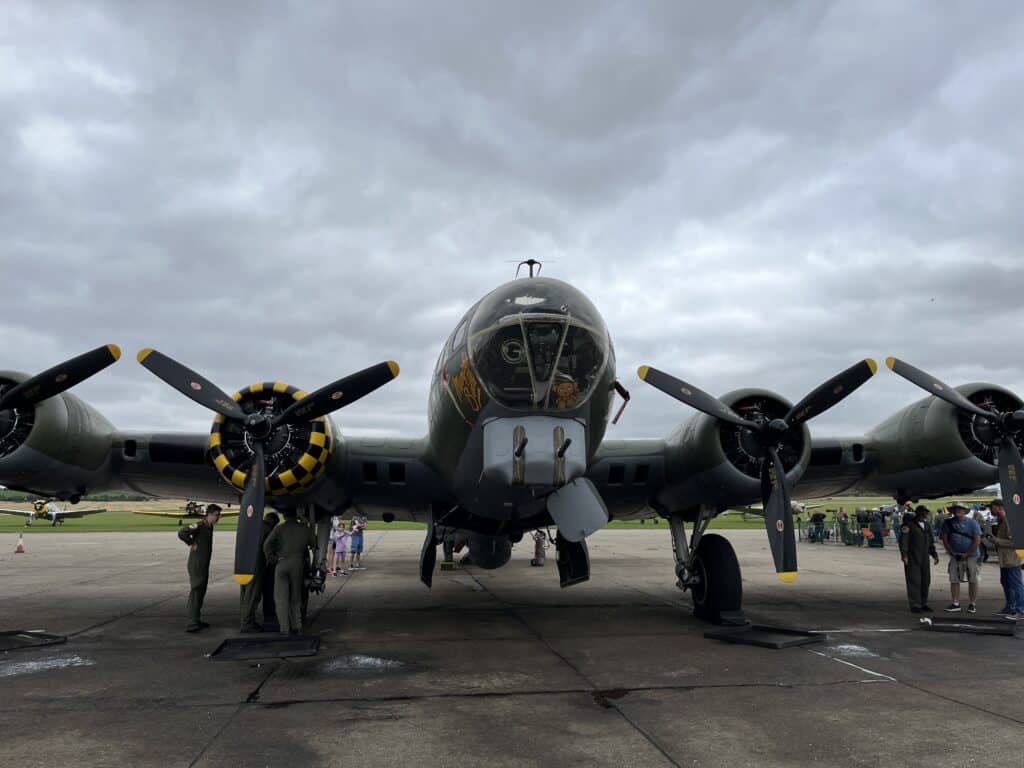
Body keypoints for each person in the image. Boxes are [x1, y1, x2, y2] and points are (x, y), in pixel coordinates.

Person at [262, 508, 317, 635]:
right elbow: (314, 543)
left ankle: (284, 629)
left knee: (280, 598)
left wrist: (272, 559)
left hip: (282, 562)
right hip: (298, 564)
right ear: (296, 516)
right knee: (296, 597)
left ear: (284, 516)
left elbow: (266, 545)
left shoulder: (280, 528)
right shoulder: (305, 529)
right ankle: (297, 626)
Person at [178, 503, 222, 633]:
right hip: (197, 564)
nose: (218, 518)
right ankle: (191, 622)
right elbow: (182, 532)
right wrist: (191, 543)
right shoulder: (200, 525)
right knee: (196, 590)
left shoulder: (209, 527)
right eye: (216, 515)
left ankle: (196, 619)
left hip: (203, 563)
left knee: (201, 591)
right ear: (209, 514)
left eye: (219, 515)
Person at [239, 511, 277, 633]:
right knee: (253, 595)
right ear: (273, 523)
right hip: (256, 565)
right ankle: (247, 623)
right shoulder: (267, 529)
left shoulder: (251, 524)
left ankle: (245, 619)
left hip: (243, 563)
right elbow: (269, 546)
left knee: (244, 594)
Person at [941, 501, 982, 613]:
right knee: (954, 579)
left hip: (972, 556)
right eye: (955, 509)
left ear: (964, 511)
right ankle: (955, 603)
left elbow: (977, 540)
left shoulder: (972, 523)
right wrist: (951, 552)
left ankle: (972, 603)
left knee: (973, 580)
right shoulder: (947, 523)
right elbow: (945, 539)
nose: (957, 510)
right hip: (955, 556)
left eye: (960, 508)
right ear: (952, 511)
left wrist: (967, 554)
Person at [985, 499, 1023, 619]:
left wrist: (996, 540)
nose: (990, 510)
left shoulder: (1009, 521)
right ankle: (1010, 608)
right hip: (1005, 560)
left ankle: (1021, 610)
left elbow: (1016, 542)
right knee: (1006, 583)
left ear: (1000, 507)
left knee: (1016, 585)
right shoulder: (1001, 521)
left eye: (992, 507)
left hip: (1012, 559)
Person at [899, 505, 940, 613]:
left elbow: (930, 541)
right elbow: (904, 540)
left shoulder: (926, 525)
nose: (923, 515)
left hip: (924, 557)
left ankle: (923, 602)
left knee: (925, 580)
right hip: (913, 556)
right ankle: (915, 604)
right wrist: (904, 555)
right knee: (914, 580)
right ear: (917, 513)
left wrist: (934, 554)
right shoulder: (908, 525)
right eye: (921, 513)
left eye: (925, 513)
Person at [261, 512, 280, 631]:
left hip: (262, 565)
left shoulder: (259, 527)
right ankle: (270, 616)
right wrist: (273, 559)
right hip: (268, 565)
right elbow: (269, 545)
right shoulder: (268, 530)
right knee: (270, 590)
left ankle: (268, 615)